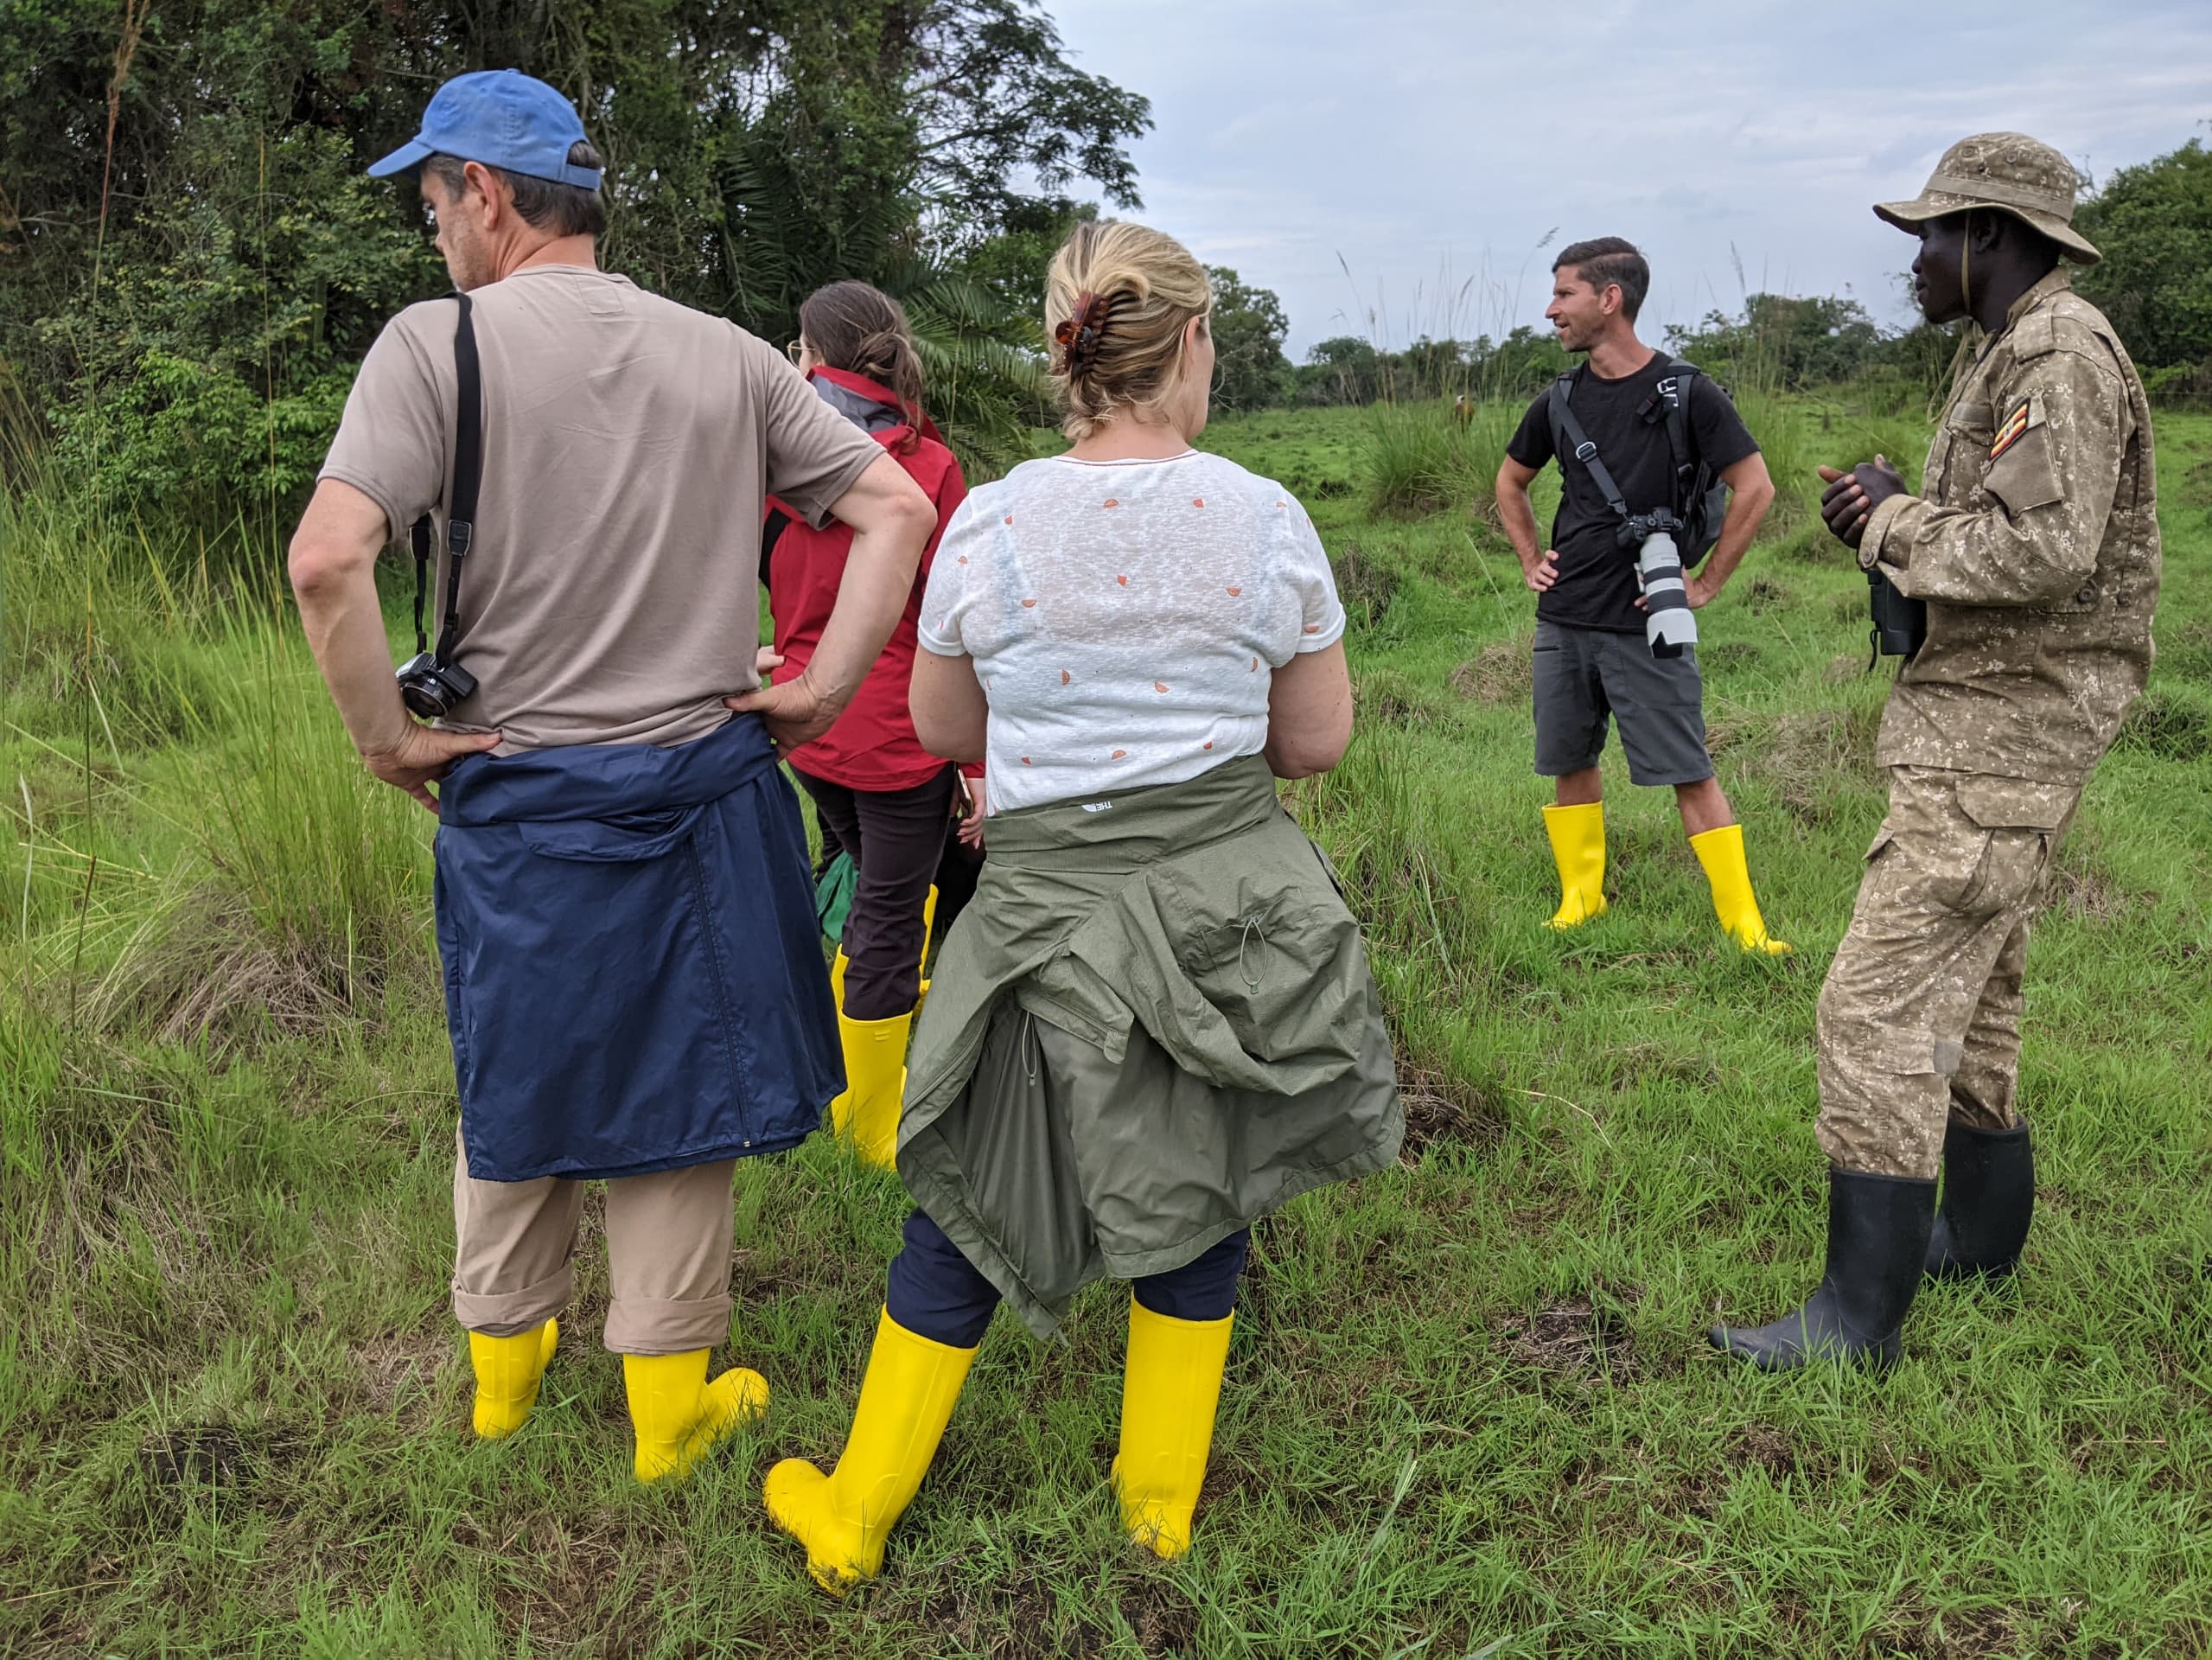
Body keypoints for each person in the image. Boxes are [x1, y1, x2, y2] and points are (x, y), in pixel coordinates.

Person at [286, 70, 938, 1477]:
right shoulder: (726, 353)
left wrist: (386, 741)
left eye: (433, 198)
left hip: (515, 797)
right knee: (676, 1103)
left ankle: (504, 1386)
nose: (431, 229)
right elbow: (893, 505)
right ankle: (668, 1414)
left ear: (490, 194)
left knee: (513, 1079)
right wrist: (819, 690)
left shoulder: (430, 346)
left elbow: (327, 558)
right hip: (698, 789)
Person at [762, 220, 1404, 1593]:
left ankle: (859, 1511)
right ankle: (1156, 1507)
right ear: (1189, 349)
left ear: (1074, 357)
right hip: (1226, 903)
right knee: (1205, 1181)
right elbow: (1314, 744)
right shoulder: (1265, 515)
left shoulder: (989, 515)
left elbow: (941, 724)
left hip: (1043, 909)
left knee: (970, 1193)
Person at [1712, 133, 2160, 1370]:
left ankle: (1856, 1324)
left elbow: (2043, 554)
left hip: (2002, 733)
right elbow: (2014, 522)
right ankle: (1976, 1242)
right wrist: (1905, 512)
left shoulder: (2058, 354)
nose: (1912, 261)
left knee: (1874, 1006)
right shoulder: (2010, 347)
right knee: (1984, 992)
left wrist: (1893, 521)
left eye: (1928, 236)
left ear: (1988, 238)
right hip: (1996, 724)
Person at [1495, 238, 1788, 952]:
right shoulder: (1558, 399)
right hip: (1564, 617)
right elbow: (1510, 483)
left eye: (1564, 294)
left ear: (1609, 299)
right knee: (1569, 760)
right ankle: (1580, 902)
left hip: (1646, 616)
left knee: (1688, 770)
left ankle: (1746, 929)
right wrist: (1532, 558)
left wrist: (1707, 582)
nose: (1551, 309)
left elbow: (1756, 487)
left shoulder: (1687, 391)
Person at [756, 280, 972, 1168]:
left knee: (902, 877)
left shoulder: (772, 464)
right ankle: (868, 1127)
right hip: (899, 734)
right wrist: (981, 754)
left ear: (812, 357)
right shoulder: (928, 466)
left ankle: (885, 1052)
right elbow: (961, 616)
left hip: (807, 726)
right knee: (890, 907)